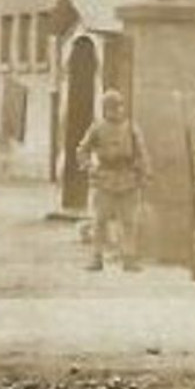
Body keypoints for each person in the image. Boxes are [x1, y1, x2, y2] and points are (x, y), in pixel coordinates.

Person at [75, 89, 151, 272]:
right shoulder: (97, 128)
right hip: (104, 179)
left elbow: (142, 152)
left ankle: (129, 258)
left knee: (129, 221)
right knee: (99, 221)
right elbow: (82, 150)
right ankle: (96, 257)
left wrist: (145, 173)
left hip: (128, 178)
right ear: (105, 109)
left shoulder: (132, 127)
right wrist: (89, 167)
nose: (115, 111)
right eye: (110, 108)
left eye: (118, 107)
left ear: (123, 108)